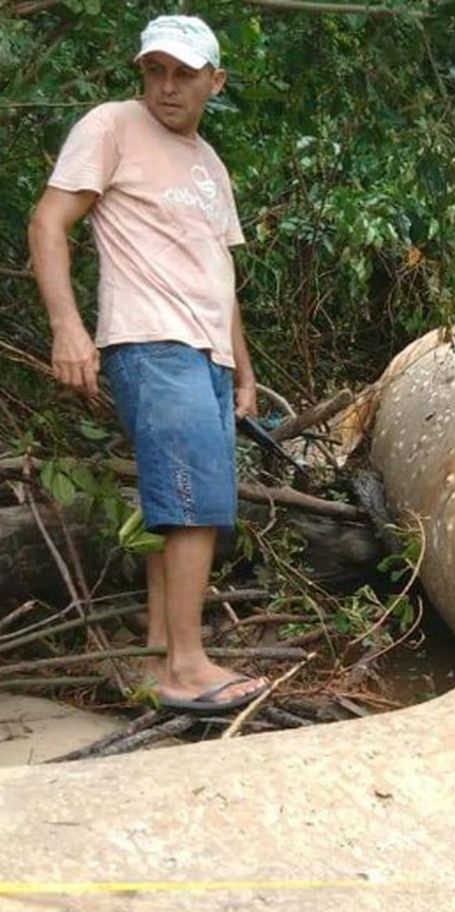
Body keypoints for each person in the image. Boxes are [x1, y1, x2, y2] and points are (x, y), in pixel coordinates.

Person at [28, 15, 269, 714]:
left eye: (184, 74)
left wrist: (243, 371)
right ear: (142, 73)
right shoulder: (111, 126)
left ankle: (161, 655)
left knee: (179, 506)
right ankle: (188, 669)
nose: (167, 86)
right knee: (195, 509)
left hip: (206, 355)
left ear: (214, 82)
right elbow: (48, 221)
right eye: (155, 70)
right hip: (149, 340)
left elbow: (216, 271)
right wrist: (67, 327)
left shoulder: (210, 165)